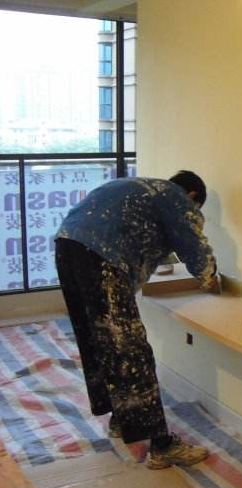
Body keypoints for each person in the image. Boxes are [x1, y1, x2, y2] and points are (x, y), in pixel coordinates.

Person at [54, 170, 218, 469]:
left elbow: (146, 241)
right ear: (192, 195)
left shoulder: (138, 188)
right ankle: (162, 445)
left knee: (98, 339)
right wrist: (208, 275)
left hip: (68, 246)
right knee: (132, 351)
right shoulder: (175, 197)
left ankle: (122, 417)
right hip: (100, 256)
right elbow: (193, 245)